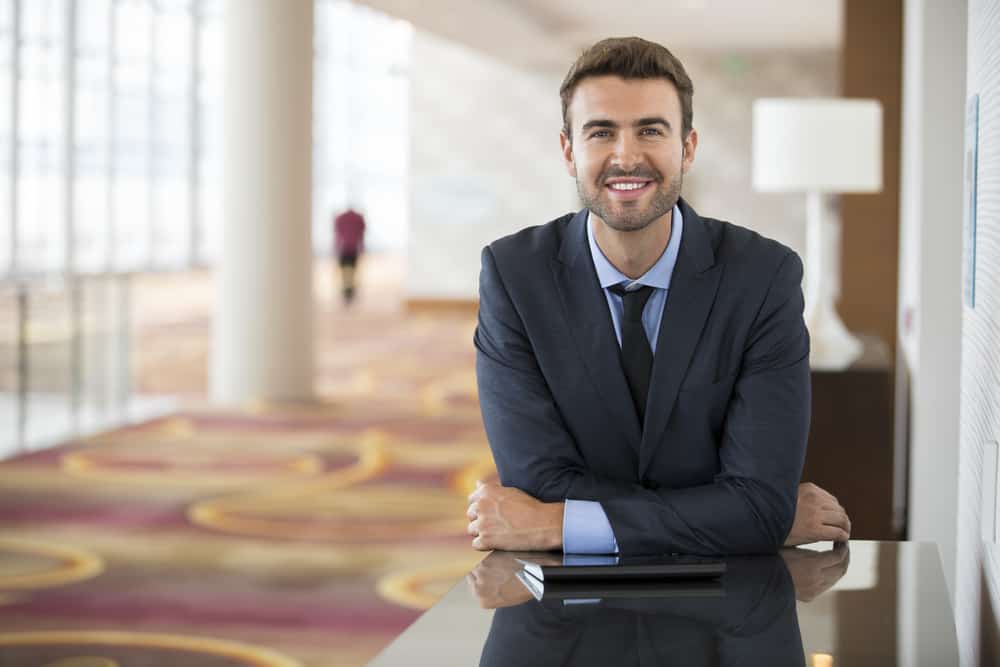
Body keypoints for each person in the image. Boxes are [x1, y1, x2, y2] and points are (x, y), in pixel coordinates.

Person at [466, 37, 851, 555]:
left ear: (687, 148)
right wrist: (731, 517)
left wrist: (555, 525)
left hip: (725, 617)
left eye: (650, 130)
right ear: (568, 151)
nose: (626, 156)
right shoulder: (514, 276)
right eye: (601, 132)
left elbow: (759, 505)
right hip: (568, 614)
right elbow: (538, 482)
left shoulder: (763, 277)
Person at [333, 206, 366, 305]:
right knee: (350, 272)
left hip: (346, 248)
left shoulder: (341, 218)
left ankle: (348, 291)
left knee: (347, 272)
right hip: (350, 248)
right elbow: (361, 233)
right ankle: (348, 291)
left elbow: (337, 233)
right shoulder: (357, 218)